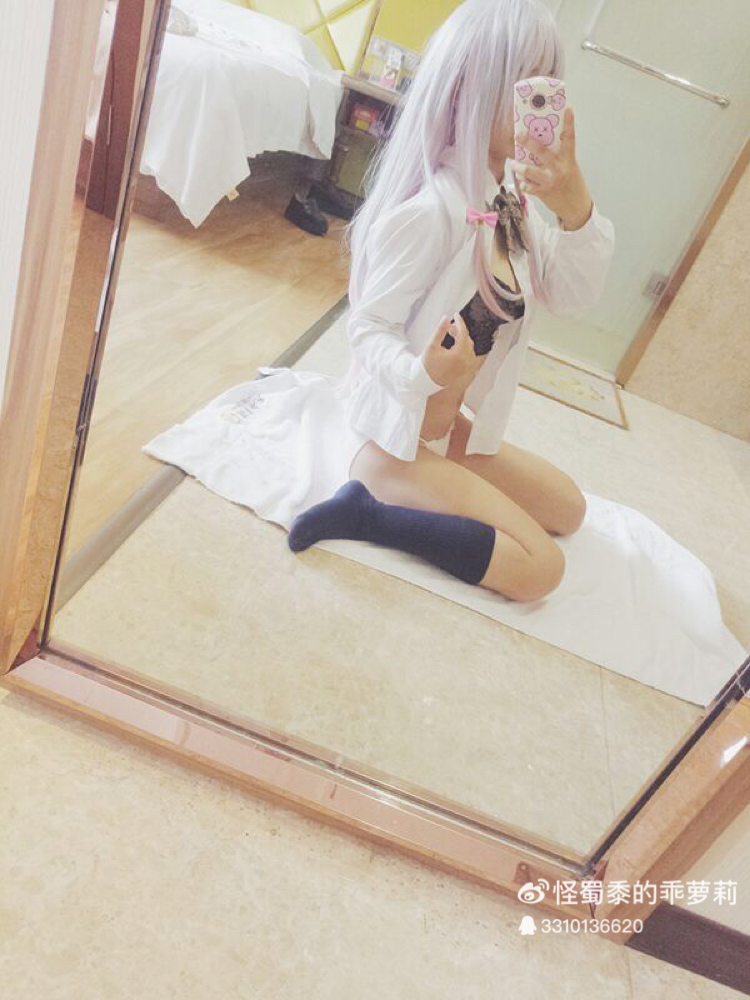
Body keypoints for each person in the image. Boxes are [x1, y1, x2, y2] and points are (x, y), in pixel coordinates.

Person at [144, 0, 615, 601]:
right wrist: (423, 373)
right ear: (471, 86)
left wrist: (575, 208)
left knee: (570, 509)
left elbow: (570, 295)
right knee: (541, 569)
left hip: (444, 428)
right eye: (524, 82)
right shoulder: (432, 212)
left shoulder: (512, 202)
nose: (539, 101)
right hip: (396, 438)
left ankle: (431, 481)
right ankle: (368, 509)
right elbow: (367, 327)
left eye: (548, 83)